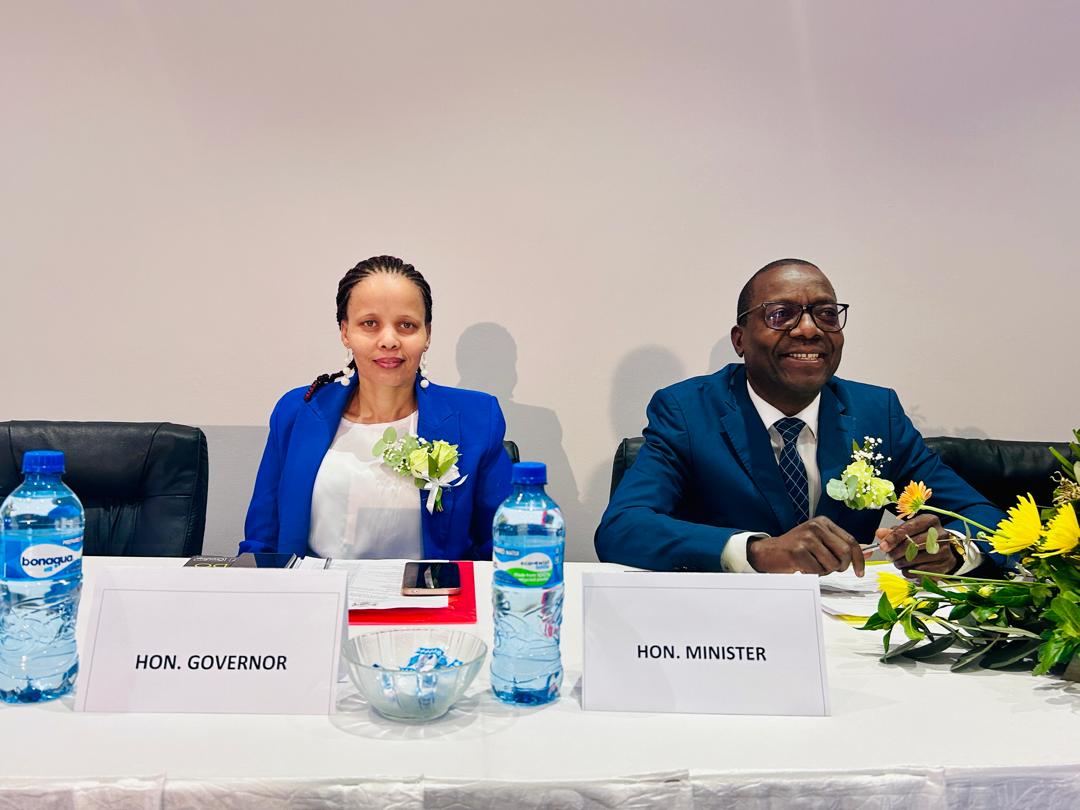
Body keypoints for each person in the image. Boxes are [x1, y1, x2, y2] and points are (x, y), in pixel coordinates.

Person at [594, 259, 1005, 578]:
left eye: (826, 314)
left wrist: (956, 551)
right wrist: (757, 551)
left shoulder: (876, 412)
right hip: (725, 626)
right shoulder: (687, 410)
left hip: (847, 629)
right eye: (781, 314)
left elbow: (986, 521)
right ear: (740, 340)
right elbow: (623, 528)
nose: (809, 330)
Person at [241, 255, 512, 560]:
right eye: (370, 324)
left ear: (427, 334)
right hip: (318, 589)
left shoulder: (477, 419)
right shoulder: (296, 411)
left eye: (406, 325)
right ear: (345, 331)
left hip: (428, 590)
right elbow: (262, 541)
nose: (389, 340)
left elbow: (503, 545)